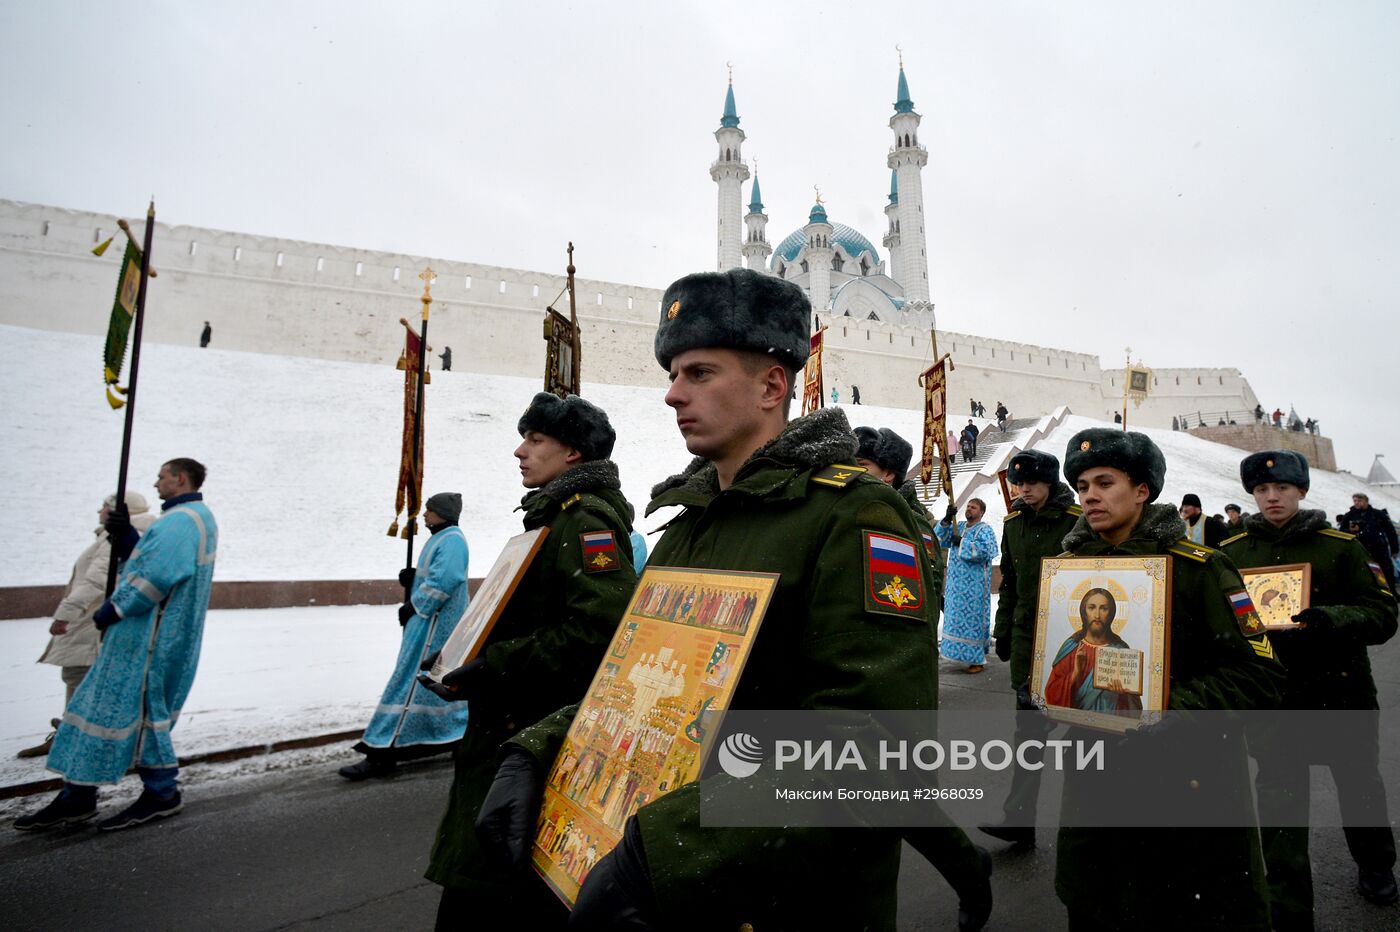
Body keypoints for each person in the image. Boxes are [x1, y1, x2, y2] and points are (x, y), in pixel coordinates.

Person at [475, 268, 991, 931]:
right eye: (672, 373)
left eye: (698, 373)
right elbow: (641, 684)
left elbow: (874, 745)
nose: (670, 394)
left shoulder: (854, 518)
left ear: (772, 385)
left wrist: (664, 849)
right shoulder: (689, 523)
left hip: (788, 901)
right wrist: (537, 747)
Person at [421, 391, 637, 929]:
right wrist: (463, 655)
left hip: (530, 731)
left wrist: (495, 665)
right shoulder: (550, 516)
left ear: (573, 455)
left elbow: (598, 629)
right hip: (509, 725)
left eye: (535, 440)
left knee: (496, 896)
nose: (520, 451)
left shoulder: (586, 521)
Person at [1055, 429, 1285, 928]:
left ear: (1143, 490)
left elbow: (1261, 675)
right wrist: (1050, 691)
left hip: (1185, 785)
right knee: (1099, 905)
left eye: (1104, 481)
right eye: (1080, 486)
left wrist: (1171, 707)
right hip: (1097, 785)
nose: (1089, 495)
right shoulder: (1070, 572)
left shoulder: (1202, 570)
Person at [1223, 451, 1398, 923]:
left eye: (1281, 488)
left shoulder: (1341, 547)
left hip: (1342, 693)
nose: (1271, 497)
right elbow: (1226, 622)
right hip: (1275, 700)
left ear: (1301, 491)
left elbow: (1384, 616)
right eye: (1261, 490)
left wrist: (1331, 619)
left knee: (1359, 783)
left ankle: (1376, 863)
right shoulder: (1236, 553)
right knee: (1280, 799)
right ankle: (1287, 900)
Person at [17, 458, 217, 832]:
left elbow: (156, 578)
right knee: (97, 710)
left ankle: (159, 793)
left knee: (138, 715)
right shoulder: (185, 519)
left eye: (162, 476)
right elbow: (152, 561)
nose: (156, 483)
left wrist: (113, 609)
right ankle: (78, 796)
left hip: (146, 641)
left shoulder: (183, 520)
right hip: (137, 641)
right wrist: (128, 541)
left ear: (180, 478)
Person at [979, 448, 1081, 847]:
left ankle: (1089, 825)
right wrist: (1002, 630)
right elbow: (1012, 583)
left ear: (1050, 484)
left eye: (1032, 484)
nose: (1024, 490)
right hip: (1027, 638)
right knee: (1028, 733)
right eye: (1019, 484)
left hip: (1070, 640)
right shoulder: (1013, 523)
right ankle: (1019, 817)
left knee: (1085, 732)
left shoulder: (1077, 522)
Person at [339, 492, 471, 780]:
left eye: (430, 510)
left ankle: (381, 751)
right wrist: (413, 580)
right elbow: (433, 576)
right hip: (425, 626)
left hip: (433, 628)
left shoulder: (452, 540)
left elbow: (446, 580)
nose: (424, 515)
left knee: (409, 681)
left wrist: (415, 603)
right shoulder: (442, 538)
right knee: (430, 683)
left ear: (443, 513)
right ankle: (451, 736)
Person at [19, 491, 157, 760]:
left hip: (92, 621)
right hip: (95, 619)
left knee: (82, 676)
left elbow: (96, 582)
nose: (100, 512)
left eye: (104, 507)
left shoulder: (117, 538)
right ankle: (76, 733)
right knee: (85, 677)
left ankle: (75, 738)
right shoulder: (118, 536)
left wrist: (66, 613)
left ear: (119, 510)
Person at [1043, 587, 1144, 712]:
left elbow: (1135, 707)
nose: (1097, 615)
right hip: (1076, 723)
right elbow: (1051, 694)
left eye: (1103, 609)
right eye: (1091, 608)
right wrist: (1075, 674)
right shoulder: (1071, 647)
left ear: (1111, 614)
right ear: (1084, 613)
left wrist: (1124, 693)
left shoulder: (1121, 650)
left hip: (1112, 725)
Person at [936, 497, 998, 673]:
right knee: (954, 620)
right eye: (968, 506)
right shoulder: (959, 526)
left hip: (975, 587)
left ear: (981, 512)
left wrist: (961, 543)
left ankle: (976, 660)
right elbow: (938, 538)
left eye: (974, 507)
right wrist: (947, 519)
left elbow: (988, 550)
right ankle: (955, 653)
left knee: (973, 622)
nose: (969, 509)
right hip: (956, 586)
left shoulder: (985, 530)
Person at [1340, 493, 1399, 590]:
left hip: (1379, 549)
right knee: (1363, 572)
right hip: (1360, 549)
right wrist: (1351, 531)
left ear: (1366, 501)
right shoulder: (1349, 515)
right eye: (1355, 501)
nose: (1357, 503)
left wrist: (1394, 549)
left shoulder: (1378, 514)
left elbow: (1390, 531)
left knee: (1385, 572)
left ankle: (1390, 593)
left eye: (1359, 501)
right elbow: (1342, 531)